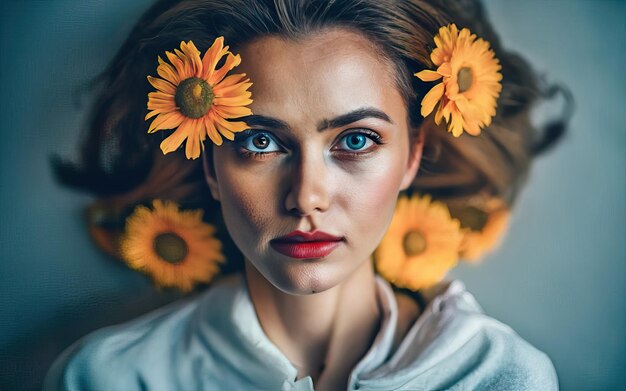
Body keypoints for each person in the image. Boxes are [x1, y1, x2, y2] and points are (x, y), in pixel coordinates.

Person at [45, 0, 568, 389]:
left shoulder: (499, 376)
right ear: (210, 164)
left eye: (356, 140)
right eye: (260, 141)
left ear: (412, 155)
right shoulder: (109, 378)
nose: (306, 197)